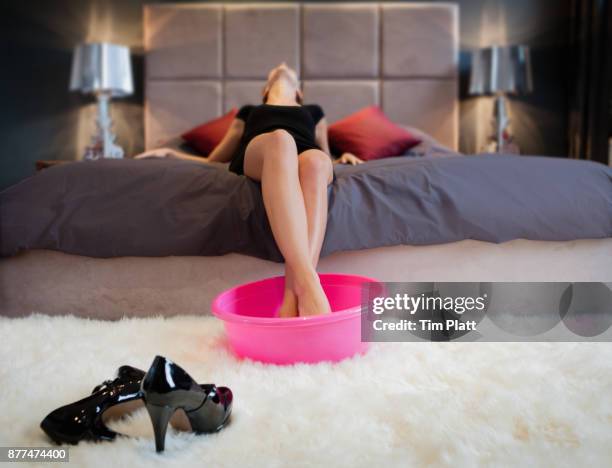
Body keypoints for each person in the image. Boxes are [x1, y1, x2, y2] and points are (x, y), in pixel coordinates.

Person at [135, 62, 363, 317]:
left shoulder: (313, 111)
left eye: (289, 71)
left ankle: (292, 299)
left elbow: (326, 153)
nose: (283, 65)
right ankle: (311, 284)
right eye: (276, 70)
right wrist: (170, 152)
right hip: (265, 151)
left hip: (306, 154)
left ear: (299, 91)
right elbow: (215, 159)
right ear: (265, 89)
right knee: (281, 139)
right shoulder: (250, 111)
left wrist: (342, 157)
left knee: (317, 162)